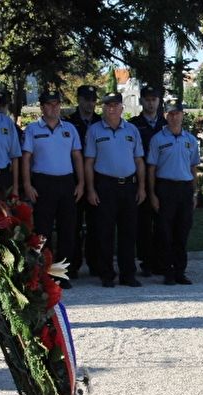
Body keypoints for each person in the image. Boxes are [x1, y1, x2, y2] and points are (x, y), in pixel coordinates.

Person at [21, 91, 84, 289]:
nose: (54, 108)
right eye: (49, 104)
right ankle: (42, 275)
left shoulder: (70, 129)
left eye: (56, 104)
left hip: (66, 182)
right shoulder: (32, 129)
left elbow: (77, 157)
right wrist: (27, 184)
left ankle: (60, 275)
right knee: (43, 232)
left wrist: (81, 183)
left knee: (67, 231)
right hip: (43, 183)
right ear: (42, 107)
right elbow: (26, 159)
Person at [83, 92, 145, 288]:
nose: (111, 109)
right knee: (105, 232)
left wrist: (142, 187)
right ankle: (107, 274)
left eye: (115, 105)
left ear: (121, 108)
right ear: (103, 108)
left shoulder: (132, 130)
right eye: (108, 105)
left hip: (128, 186)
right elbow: (89, 162)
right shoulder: (94, 130)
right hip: (104, 186)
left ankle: (128, 274)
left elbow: (139, 161)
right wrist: (90, 189)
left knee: (129, 232)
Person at [146, 98, 199, 285]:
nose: (174, 117)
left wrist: (195, 193)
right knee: (164, 232)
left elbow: (193, 168)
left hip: (184, 189)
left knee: (182, 232)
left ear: (182, 115)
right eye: (170, 114)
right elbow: (151, 168)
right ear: (165, 115)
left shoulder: (190, 140)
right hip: (165, 189)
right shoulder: (157, 139)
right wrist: (152, 194)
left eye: (177, 113)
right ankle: (167, 271)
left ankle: (180, 271)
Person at [129, 85, 167, 277]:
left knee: (163, 222)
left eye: (154, 99)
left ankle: (161, 260)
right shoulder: (133, 125)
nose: (151, 103)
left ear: (159, 101)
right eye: (147, 99)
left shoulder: (167, 124)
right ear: (141, 101)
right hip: (140, 180)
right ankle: (146, 261)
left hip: (163, 179)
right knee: (143, 224)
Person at [66, 85, 101, 279]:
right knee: (74, 225)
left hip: (97, 180)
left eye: (93, 100)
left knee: (97, 225)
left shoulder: (101, 122)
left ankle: (95, 264)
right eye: (87, 99)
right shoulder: (69, 123)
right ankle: (73, 265)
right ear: (78, 99)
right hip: (74, 180)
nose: (90, 103)